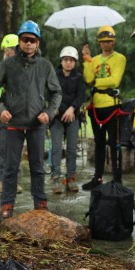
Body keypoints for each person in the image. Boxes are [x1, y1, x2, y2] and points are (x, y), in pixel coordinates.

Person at [0, 20, 63, 220]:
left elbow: (56, 93)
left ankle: (41, 204)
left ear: (38, 43)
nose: (28, 44)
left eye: (32, 40)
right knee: (11, 167)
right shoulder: (8, 65)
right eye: (25, 40)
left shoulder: (45, 66)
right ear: (19, 41)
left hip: (37, 124)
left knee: (38, 166)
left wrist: (49, 112)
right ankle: (7, 204)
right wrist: (0, 110)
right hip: (13, 124)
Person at [81, 25, 127, 190]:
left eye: (109, 41)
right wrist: (87, 59)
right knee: (99, 144)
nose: (106, 44)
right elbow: (87, 79)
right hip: (96, 107)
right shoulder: (94, 60)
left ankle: (117, 179)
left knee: (114, 144)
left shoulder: (120, 58)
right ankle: (97, 177)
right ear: (99, 43)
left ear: (113, 41)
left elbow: (114, 80)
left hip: (112, 106)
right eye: (103, 42)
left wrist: (96, 82)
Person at [49, 46, 86, 194]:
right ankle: (56, 178)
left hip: (73, 116)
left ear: (75, 62)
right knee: (57, 148)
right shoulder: (54, 76)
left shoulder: (79, 77)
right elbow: (51, 94)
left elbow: (81, 96)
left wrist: (72, 108)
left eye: (71, 60)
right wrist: (63, 109)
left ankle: (71, 178)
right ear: (61, 61)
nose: (68, 63)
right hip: (57, 117)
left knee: (71, 149)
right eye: (66, 60)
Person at [0, 34, 20, 194]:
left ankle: (14, 181)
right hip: (1, 116)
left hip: (16, 117)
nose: (10, 52)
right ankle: (0, 180)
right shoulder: (0, 70)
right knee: (2, 149)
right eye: (8, 50)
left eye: (12, 50)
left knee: (15, 151)